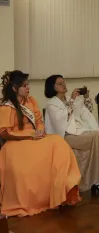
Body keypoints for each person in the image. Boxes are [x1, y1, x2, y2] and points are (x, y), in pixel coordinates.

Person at [0, 70, 81, 217]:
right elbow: (5, 132)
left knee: (58, 142)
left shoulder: (31, 101)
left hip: (35, 138)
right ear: (14, 88)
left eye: (28, 85)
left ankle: (59, 192)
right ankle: (33, 201)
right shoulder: (7, 107)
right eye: (24, 86)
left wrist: (40, 130)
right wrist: (29, 135)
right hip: (16, 143)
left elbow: (39, 121)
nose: (28, 88)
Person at [44, 75, 99, 195]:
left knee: (96, 142)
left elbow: (86, 112)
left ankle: (97, 182)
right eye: (60, 83)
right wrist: (72, 100)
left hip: (78, 132)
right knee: (97, 137)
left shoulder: (68, 99)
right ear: (53, 87)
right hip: (64, 136)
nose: (64, 85)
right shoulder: (51, 104)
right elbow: (61, 120)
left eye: (64, 82)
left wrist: (86, 97)